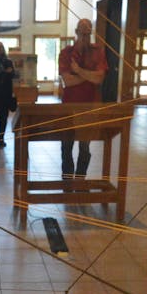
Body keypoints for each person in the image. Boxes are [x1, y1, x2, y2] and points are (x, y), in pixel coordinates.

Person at [58, 18, 107, 178]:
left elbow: (99, 79)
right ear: (76, 32)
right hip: (69, 106)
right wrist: (89, 76)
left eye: (88, 32)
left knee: (85, 147)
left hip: (90, 106)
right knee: (66, 145)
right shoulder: (66, 53)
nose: (85, 36)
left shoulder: (98, 51)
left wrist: (78, 70)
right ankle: (67, 181)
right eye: (82, 32)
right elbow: (68, 81)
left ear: (91, 32)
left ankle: (80, 180)